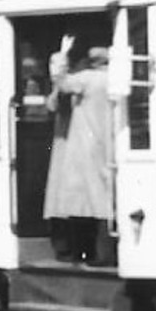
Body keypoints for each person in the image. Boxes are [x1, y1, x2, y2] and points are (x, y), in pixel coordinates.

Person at [43, 37, 114, 265]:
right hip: (107, 144)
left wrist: (60, 56)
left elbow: (61, 81)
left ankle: (82, 253)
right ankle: (103, 253)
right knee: (103, 198)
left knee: (80, 199)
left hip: (83, 145)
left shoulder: (88, 78)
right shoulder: (114, 79)